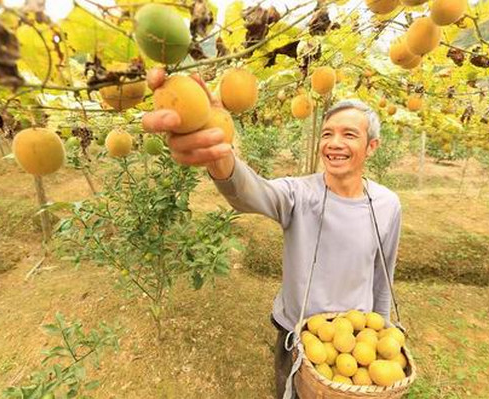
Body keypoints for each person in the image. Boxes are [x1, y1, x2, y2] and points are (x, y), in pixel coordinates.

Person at [142, 69, 402, 399]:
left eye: (349, 135)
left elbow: (384, 274)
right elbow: (250, 193)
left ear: (372, 146)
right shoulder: (299, 194)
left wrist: (382, 335)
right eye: (327, 134)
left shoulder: (387, 204)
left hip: (355, 338)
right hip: (298, 331)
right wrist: (220, 154)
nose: (334, 143)